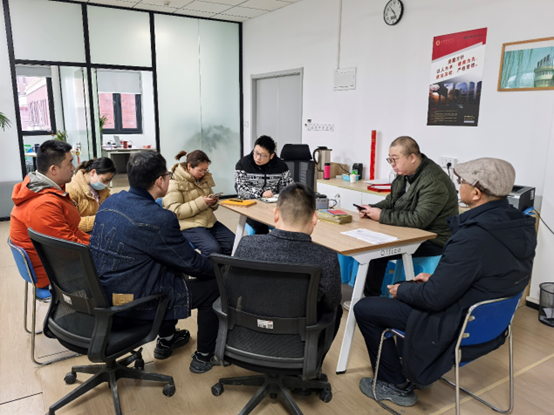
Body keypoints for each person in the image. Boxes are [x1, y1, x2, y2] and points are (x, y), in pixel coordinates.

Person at [353, 158, 536, 407]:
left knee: (367, 308)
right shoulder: (520, 225)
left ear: (476, 193)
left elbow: (433, 298)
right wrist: (437, 279)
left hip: (457, 321)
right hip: (490, 323)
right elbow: (488, 274)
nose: (459, 185)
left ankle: (393, 383)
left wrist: (403, 290)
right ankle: (414, 368)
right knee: (414, 285)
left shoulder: (473, 236)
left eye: (462, 181)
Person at [89, 151, 223, 373]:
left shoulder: (110, 202)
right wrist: (221, 270)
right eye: (168, 175)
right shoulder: (159, 218)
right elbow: (191, 263)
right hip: (134, 305)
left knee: (167, 270)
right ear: (160, 181)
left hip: (102, 296)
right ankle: (204, 356)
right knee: (214, 287)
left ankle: (167, 339)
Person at [234, 183, 342, 344]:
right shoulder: (326, 257)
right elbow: (331, 302)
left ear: (275, 214)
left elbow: (235, 290)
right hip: (298, 342)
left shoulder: (247, 245)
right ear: (314, 218)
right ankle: (314, 355)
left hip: (250, 336)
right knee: (336, 310)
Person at [358, 136, 458, 297]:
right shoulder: (404, 174)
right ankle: (371, 297)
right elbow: (391, 202)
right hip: (410, 232)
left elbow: (418, 220)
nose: (392, 164)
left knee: (376, 253)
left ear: (412, 157)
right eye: (390, 160)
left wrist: (381, 215)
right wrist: (372, 209)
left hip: (434, 238)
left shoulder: (434, 181)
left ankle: (370, 298)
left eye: (395, 159)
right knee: (369, 244)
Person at [10, 140, 90, 289]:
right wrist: (99, 248)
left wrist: (95, 242)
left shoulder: (42, 190)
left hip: (54, 262)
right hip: (54, 274)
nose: (73, 168)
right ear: (54, 169)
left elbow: (70, 233)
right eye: (70, 163)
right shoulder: (43, 204)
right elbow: (68, 250)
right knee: (119, 268)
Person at [163, 150, 234, 257]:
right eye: (200, 170)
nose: (203, 173)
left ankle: (222, 267)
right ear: (189, 166)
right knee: (212, 249)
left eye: (205, 170)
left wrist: (213, 202)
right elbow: (175, 211)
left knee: (233, 243)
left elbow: (211, 205)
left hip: (208, 221)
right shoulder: (173, 182)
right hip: (188, 224)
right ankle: (207, 268)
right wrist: (202, 203)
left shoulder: (203, 178)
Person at [234, 135, 294, 234]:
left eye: (263, 155)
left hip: (272, 206)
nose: (258, 158)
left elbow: (289, 187)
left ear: (272, 156)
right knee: (261, 228)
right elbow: (241, 190)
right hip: (250, 206)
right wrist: (261, 193)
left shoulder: (281, 166)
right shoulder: (243, 164)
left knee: (291, 225)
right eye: (256, 153)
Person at [66, 157, 116, 233]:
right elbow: (73, 222)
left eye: (108, 182)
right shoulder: (72, 189)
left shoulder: (102, 190)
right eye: (104, 180)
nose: (105, 184)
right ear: (93, 172)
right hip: (82, 234)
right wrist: (102, 219)